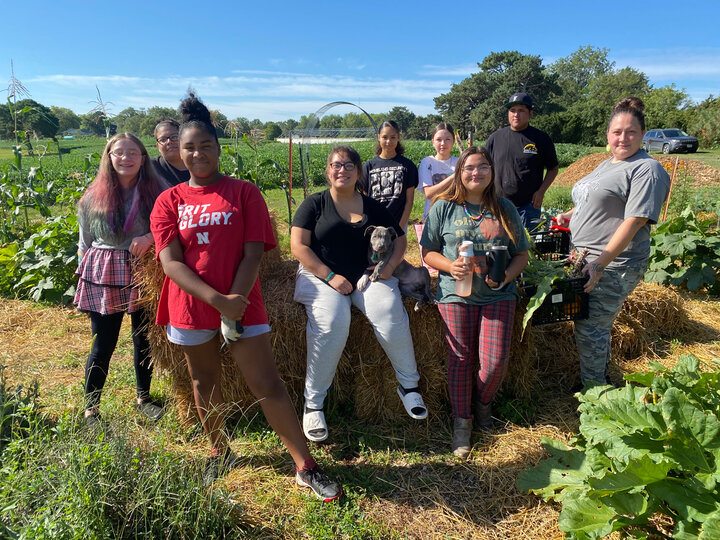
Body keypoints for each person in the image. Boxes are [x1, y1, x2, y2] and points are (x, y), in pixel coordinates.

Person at [150, 93, 341, 500]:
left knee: (267, 384)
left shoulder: (245, 193)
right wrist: (218, 302)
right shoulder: (168, 201)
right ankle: (219, 451)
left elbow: (254, 251)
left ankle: (305, 465)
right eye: (189, 148)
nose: (197, 153)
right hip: (191, 305)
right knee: (204, 381)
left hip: (243, 302)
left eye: (205, 146)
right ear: (177, 153)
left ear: (219, 149)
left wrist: (234, 302)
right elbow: (170, 263)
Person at [291, 145, 428, 443]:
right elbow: (298, 247)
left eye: (349, 165)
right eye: (336, 165)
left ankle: (409, 386)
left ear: (359, 171)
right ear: (328, 171)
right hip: (321, 275)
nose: (342, 170)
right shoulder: (314, 204)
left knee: (389, 311)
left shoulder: (372, 206)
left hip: (366, 275)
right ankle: (313, 403)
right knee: (332, 322)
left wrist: (389, 267)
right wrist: (330, 276)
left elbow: (401, 240)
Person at [421, 146, 529, 458]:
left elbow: (521, 254)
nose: (475, 173)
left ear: (492, 172)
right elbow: (428, 251)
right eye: (469, 167)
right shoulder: (444, 208)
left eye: (482, 167)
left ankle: (483, 405)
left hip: (498, 294)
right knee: (460, 360)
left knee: (494, 362)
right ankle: (462, 422)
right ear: (459, 172)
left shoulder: (505, 208)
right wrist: (450, 266)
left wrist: (506, 276)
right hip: (456, 294)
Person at [554, 97, 670, 387]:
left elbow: (635, 220)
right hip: (585, 258)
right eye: (617, 131)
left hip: (614, 263)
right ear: (608, 135)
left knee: (591, 326)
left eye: (631, 132)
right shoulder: (608, 164)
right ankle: (598, 379)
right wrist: (568, 215)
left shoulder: (646, 169)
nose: (623, 138)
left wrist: (599, 263)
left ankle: (596, 396)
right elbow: (592, 200)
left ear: (643, 135)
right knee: (590, 324)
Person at [74, 133, 168, 425]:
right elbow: (84, 242)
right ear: (109, 157)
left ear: (143, 158)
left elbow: (172, 225)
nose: (126, 158)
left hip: (143, 270)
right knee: (103, 343)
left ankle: (144, 397)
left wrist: (149, 236)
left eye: (133, 153)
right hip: (105, 273)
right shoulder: (92, 195)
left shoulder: (158, 191)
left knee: (143, 339)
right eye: (119, 153)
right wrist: (83, 278)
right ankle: (91, 407)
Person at [485, 92, 559, 229]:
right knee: (497, 247)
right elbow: (484, 167)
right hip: (498, 204)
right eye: (512, 110)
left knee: (528, 247)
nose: (516, 114)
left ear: (530, 113)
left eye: (521, 111)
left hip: (528, 206)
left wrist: (541, 191)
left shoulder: (540, 139)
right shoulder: (495, 138)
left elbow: (553, 168)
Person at [415, 123, 459, 273]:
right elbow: (429, 193)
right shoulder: (427, 162)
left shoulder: (458, 162)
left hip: (455, 217)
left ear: (453, 141)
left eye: (447, 139)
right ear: (432, 141)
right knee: (433, 263)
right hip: (432, 216)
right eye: (439, 139)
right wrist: (453, 177)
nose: (443, 143)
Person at [361, 120, 418, 231]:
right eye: (385, 137)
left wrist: (399, 228)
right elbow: (365, 201)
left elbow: (409, 201)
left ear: (398, 137)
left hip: (398, 223)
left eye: (393, 137)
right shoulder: (368, 166)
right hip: (375, 225)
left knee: (399, 249)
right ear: (378, 137)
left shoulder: (407, 165)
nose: (388, 141)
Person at [151, 119, 190, 186]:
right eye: (163, 139)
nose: (169, 141)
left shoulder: (197, 163)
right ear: (158, 146)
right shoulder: (150, 167)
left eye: (174, 137)